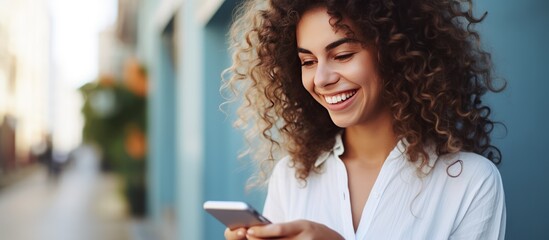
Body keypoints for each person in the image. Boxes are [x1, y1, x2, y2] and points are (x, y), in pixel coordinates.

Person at [222, 0, 506, 239]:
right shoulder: (292, 177)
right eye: (308, 62)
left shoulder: (469, 182)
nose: (321, 79)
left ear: (396, 52)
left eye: (343, 55)